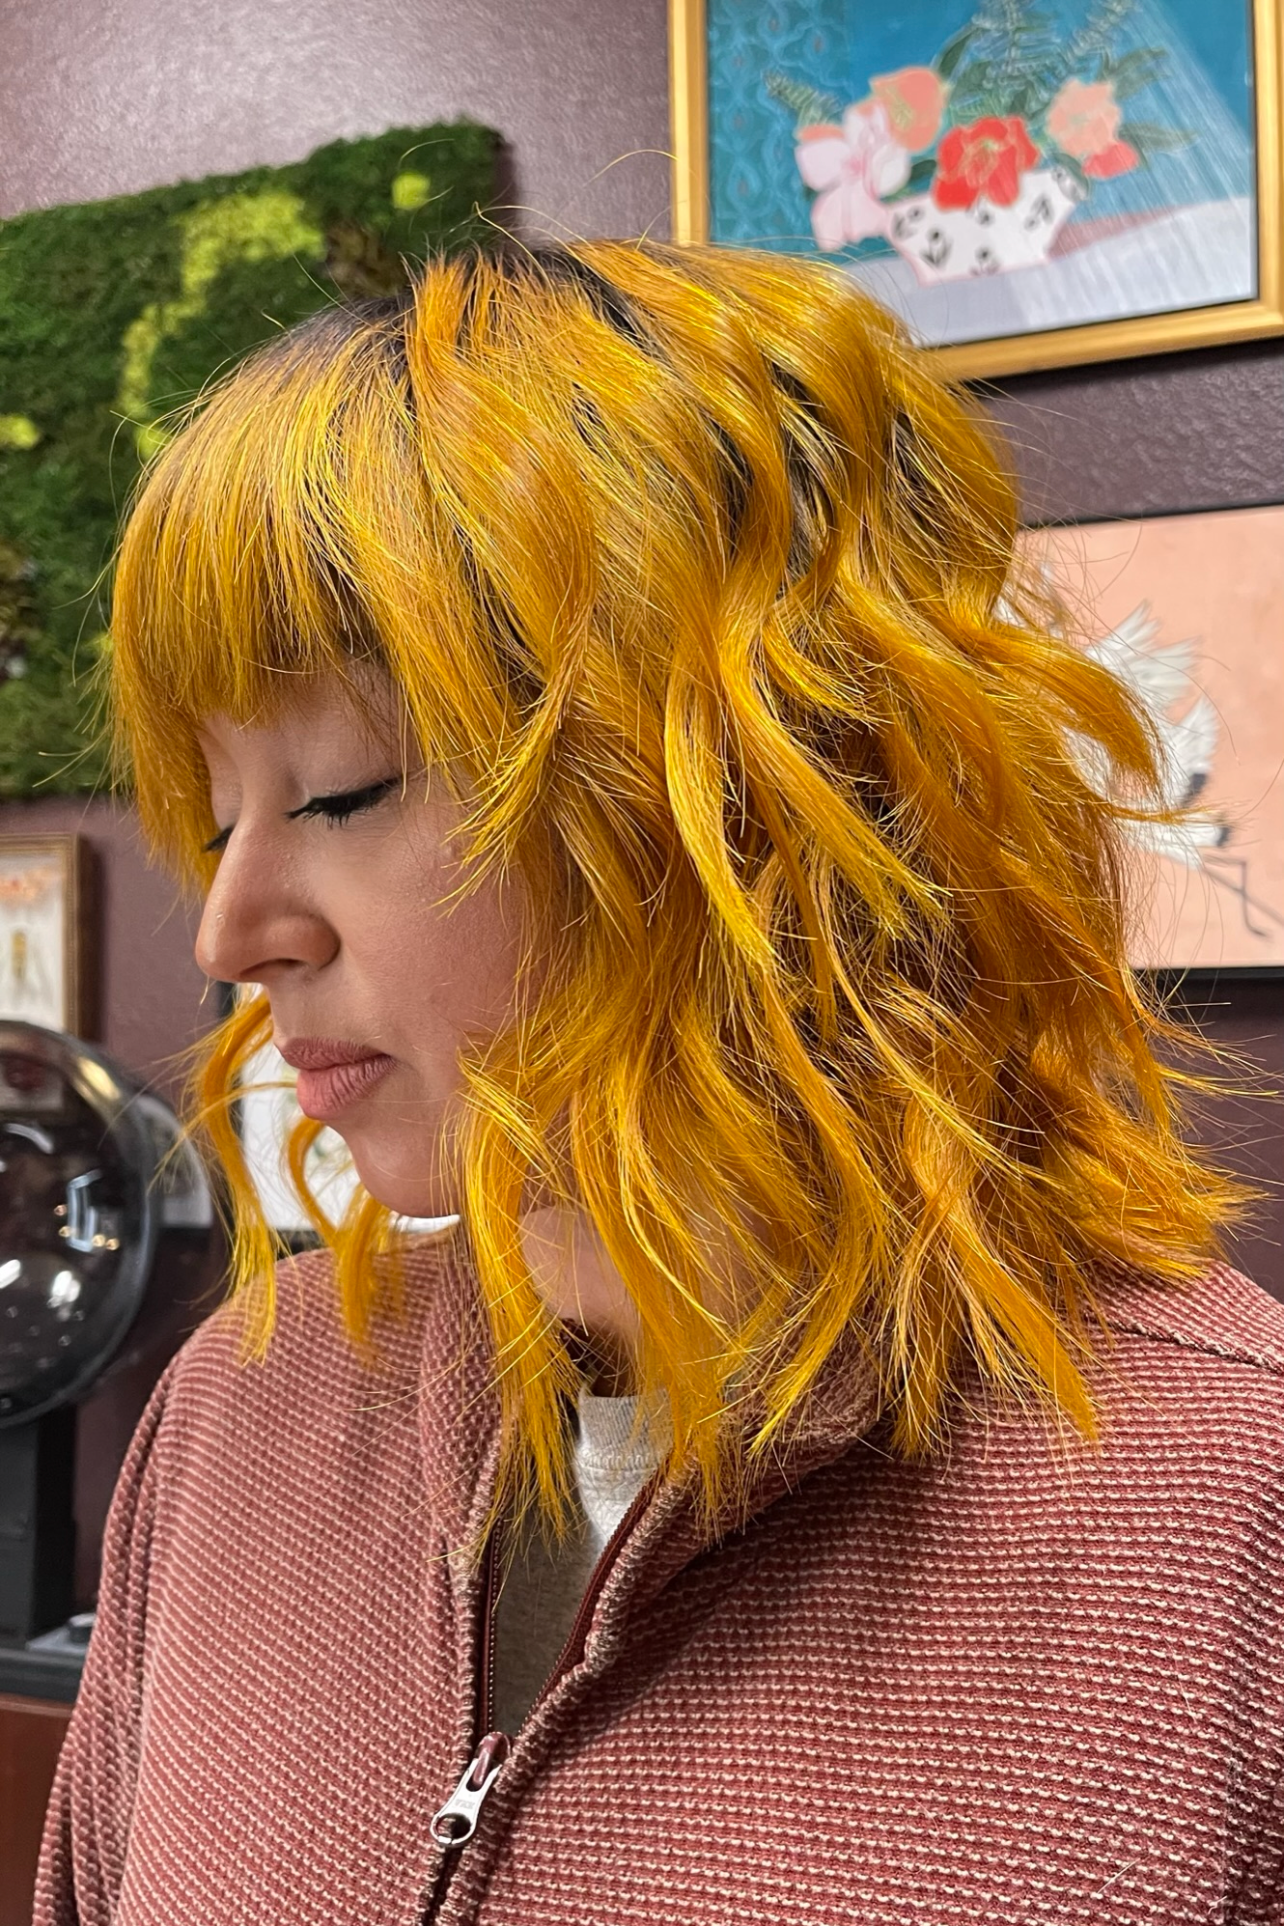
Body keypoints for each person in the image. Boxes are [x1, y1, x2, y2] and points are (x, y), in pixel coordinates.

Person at [35, 240, 1284, 1925]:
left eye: (337, 789)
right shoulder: (242, 1417)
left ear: (761, 778)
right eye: (214, 809)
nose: (232, 928)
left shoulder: (1228, 1523)